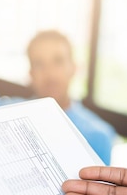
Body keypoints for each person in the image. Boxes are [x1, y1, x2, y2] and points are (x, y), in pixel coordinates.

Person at [26, 30, 118, 165]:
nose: (49, 73)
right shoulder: (3, 113)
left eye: (58, 61)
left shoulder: (98, 136)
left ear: (74, 68)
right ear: (31, 73)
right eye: (39, 64)